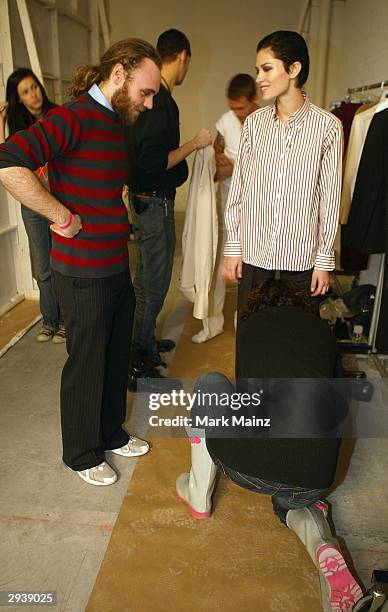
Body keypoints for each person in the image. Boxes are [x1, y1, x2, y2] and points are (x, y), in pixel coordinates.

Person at [0, 39, 161, 486]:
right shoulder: (71, 116)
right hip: (81, 270)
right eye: (145, 92)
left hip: (114, 265)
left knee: (113, 357)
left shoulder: (113, 120)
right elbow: (9, 161)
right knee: (86, 364)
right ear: (119, 74)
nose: (148, 104)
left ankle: (110, 433)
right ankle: (80, 453)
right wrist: (61, 216)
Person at [176, 279, 363, 612]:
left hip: (248, 466)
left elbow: (248, 403)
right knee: (292, 499)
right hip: (315, 477)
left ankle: (198, 494)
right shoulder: (323, 334)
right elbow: (341, 405)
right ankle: (322, 545)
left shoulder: (251, 329)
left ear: (256, 306)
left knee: (211, 384)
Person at [223, 31, 343, 309]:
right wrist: (234, 246)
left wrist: (324, 260)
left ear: (294, 69)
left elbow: (330, 198)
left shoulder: (328, 127)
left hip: (302, 258)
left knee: (297, 342)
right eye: (257, 70)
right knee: (251, 334)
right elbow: (240, 188)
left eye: (267, 68)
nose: (259, 78)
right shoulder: (254, 124)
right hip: (255, 253)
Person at [125, 29, 212, 388]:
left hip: (144, 201)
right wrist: (195, 143)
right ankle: (138, 363)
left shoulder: (155, 100)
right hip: (154, 203)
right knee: (154, 286)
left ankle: (143, 343)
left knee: (146, 283)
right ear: (183, 57)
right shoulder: (160, 102)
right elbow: (154, 160)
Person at [192, 74, 258, 343]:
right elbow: (216, 153)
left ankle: (245, 326)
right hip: (226, 207)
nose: (237, 113)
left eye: (241, 108)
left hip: (256, 210)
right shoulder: (227, 121)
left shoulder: (267, 122)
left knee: (249, 272)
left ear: (254, 100)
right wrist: (220, 162)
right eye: (233, 107)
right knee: (218, 267)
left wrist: (236, 168)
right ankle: (212, 324)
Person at [0, 68, 65, 343]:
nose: (33, 94)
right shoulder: (19, 127)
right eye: (25, 91)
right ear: (19, 99)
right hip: (32, 205)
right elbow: (3, 158)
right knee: (43, 267)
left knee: (65, 265)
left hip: (60, 200)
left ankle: (68, 322)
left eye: (34, 87)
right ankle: (50, 319)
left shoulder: (59, 115)